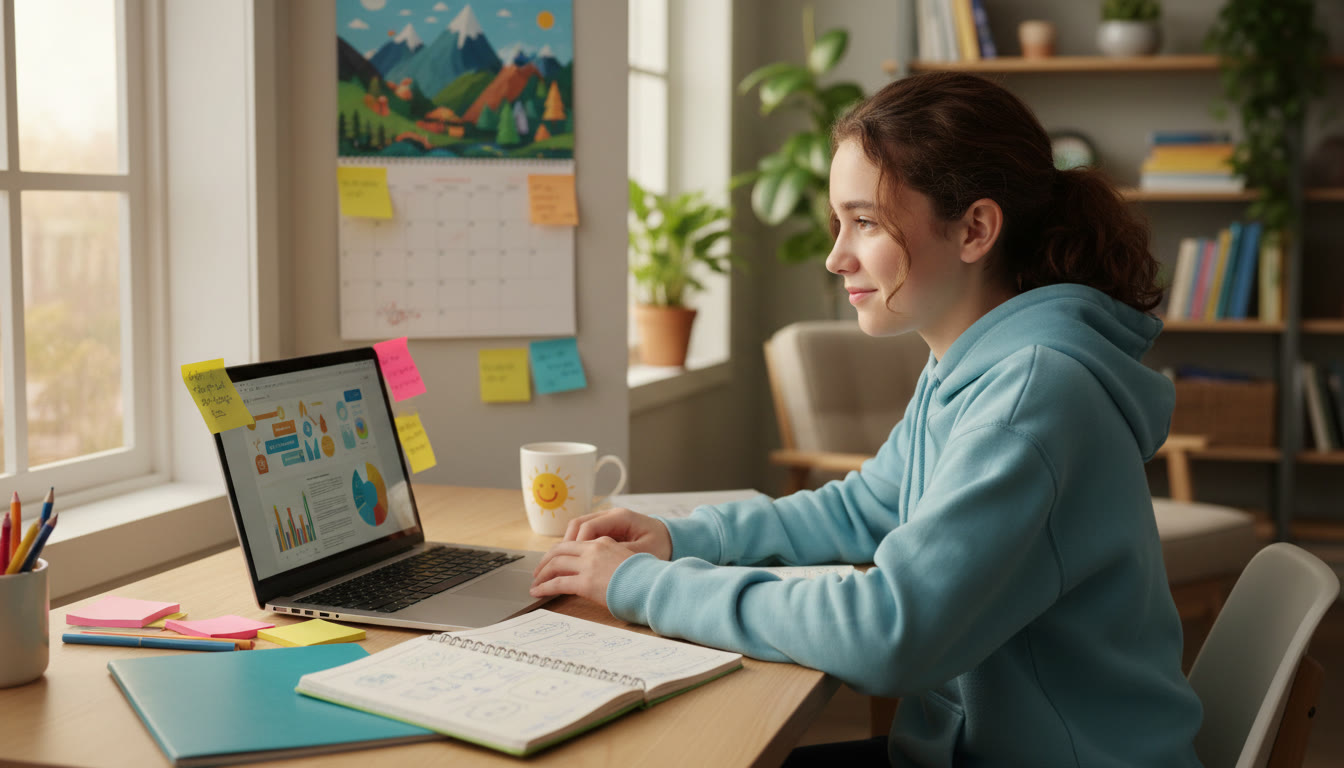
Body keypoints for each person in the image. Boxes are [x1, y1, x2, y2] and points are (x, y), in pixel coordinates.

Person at [530, 71, 1203, 767]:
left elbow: (889, 634)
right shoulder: (970, 365)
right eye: (838, 221)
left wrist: (637, 585)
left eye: (867, 221)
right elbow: (868, 506)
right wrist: (681, 537)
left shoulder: (1033, 397)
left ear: (975, 228)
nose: (836, 255)